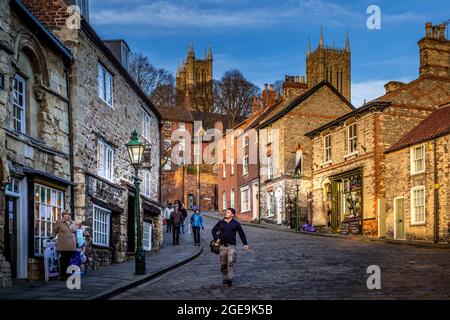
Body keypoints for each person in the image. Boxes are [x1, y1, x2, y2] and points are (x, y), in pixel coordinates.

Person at [211, 208, 249, 287]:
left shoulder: (236, 223)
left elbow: (241, 234)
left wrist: (245, 244)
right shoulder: (221, 222)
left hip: (231, 246)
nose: (226, 213)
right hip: (222, 246)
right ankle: (225, 277)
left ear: (232, 215)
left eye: (228, 212)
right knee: (223, 263)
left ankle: (230, 278)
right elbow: (213, 230)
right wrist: (216, 239)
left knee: (231, 261)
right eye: (226, 212)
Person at [52, 209, 76, 280]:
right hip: (63, 244)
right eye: (65, 214)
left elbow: (74, 231)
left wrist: (72, 226)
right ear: (62, 215)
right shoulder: (59, 222)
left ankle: (68, 275)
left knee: (69, 260)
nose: (66, 215)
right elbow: (54, 231)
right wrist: (52, 236)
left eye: (68, 214)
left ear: (69, 215)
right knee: (63, 260)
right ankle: (63, 275)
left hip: (71, 244)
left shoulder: (72, 222)